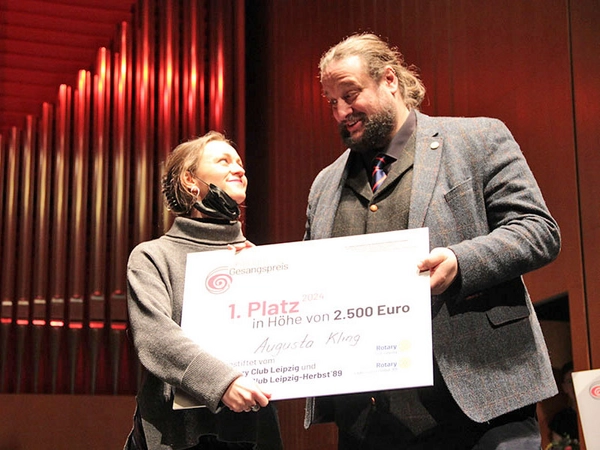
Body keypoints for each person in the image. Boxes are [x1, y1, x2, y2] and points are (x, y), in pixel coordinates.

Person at [303, 33, 561, 449]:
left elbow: (537, 230)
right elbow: (310, 278)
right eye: (331, 101)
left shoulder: (477, 140)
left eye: (349, 95)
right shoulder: (324, 185)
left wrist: (461, 261)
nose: (341, 112)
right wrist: (251, 271)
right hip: (368, 422)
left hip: (482, 404)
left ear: (389, 80)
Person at [125, 131, 283, 450]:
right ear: (189, 181)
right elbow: (155, 337)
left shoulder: (258, 260)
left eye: (239, 162)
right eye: (223, 161)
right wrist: (223, 383)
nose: (238, 169)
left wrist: (272, 276)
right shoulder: (153, 256)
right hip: (179, 434)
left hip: (253, 429)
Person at [549, 361, 579, 445]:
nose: (574, 385)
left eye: (576, 380)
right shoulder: (561, 419)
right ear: (564, 387)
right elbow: (558, 446)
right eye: (570, 381)